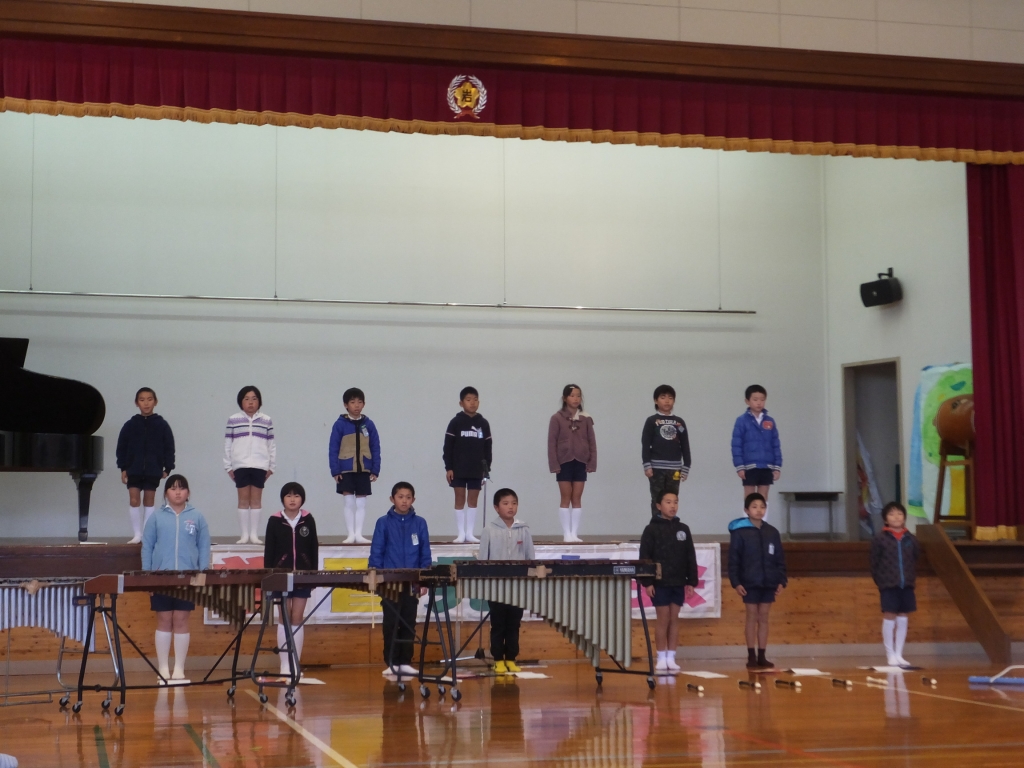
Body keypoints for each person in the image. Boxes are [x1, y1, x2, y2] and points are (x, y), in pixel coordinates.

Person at [141, 474, 211, 684]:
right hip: (161, 578)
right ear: (166, 493)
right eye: (173, 488)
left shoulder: (197, 516)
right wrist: (147, 576)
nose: (178, 492)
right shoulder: (156, 517)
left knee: (181, 620)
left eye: (181, 488)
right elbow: (147, 547)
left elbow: (204, 547)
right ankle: (163, 668)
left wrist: (202, 573)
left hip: (187, 578)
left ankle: (179, 668)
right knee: (164, 620)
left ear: (188, 492)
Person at [368, 482, 432, 677]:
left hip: (412, 581)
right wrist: (376, 576)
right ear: (392, 499)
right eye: (400, 497)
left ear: (413, 500)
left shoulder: (420, 523)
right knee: (391, 622)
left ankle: (405, 661)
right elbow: (377, 551)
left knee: (409, 621)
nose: (404, 501)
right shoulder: (383, 522)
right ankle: (391, 662)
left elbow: (425, 553)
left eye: (408, 497)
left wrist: (424, 580)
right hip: (390, 582)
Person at [639, 490, 698, 673]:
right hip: (660, 582)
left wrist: (691, 581)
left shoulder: (683, 529)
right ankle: (661, 657)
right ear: (659, 506)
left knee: (674, 619)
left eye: (675, 502)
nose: (673, 506)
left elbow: (690, 556)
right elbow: (645, 557)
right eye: (668, 502)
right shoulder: (651, 530)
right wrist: (648, 582)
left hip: (678, 581)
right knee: (663, 619)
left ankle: (671, 657)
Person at [264, 482, 319, 677]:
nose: (292, 499)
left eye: (296, 496)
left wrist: (313, 574)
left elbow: (313, 548)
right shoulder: (274, 520)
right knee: (284, 617)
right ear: (283, 499)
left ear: (302, 499)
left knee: (297, 617)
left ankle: (295, 663)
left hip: (303, 576)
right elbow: (269, 551)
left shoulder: (308, 520)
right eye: (288, 496)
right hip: (281, 575)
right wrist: (270, 575)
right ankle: (285, 665)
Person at [478, 488, 535, 673]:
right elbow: (483, 559)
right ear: (496, 507)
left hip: (518, 586)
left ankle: (511, 658)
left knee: (514, 624)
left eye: (514, 503)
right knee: (498, 624)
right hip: (496, 587)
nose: (510, 507)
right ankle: (498, 659)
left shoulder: (524, 529)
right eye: (506, 503)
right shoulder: (489, 529)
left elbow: (530, 558)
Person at [728, 493, 786, 670]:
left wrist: (781, 580)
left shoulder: (772, 532)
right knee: (752, 617)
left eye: (762, 507)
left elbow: (779, 559)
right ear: (746, 510)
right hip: (749, 582)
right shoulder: (740, 532)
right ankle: (751, 655)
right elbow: (734, 560)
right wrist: (736, 582)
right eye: (754, 507)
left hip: (768, 582)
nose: (759, 510)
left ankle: (762, 655)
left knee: (764, 618)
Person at [116, 387, 175, 544]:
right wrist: (123, 467)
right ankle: (137, 534)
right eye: (142, 400)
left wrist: (168, 468)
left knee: (149, 501)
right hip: (133, 469)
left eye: (149, 399)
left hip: (153, 469)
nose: (146, 403)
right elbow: (121, 447)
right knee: (134, 500)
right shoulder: (130, 425)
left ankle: (147, 535)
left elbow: (169, 447)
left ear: (155, 402)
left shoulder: (162, 424)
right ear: (137, 403)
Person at [869, 501, 919, 668]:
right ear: (885, 519)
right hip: (888, 584)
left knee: (903, 617)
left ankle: (899, 654)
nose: (896, 517)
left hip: (907, 584)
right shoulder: (880, 539)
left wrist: (909, 577)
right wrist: (882, 581)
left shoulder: (911, 538)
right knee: (890, 616)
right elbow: (874, 563)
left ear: (904, 517)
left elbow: (915, 558)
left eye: (899, 513)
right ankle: (890, 654)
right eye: (891, 514)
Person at [224, 385, 275, 544]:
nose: (250, 402)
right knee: (243, 500)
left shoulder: (266, 420)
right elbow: (227, 444)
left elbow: (271, 445)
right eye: (246, 399)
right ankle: (244, 535)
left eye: (254, 399)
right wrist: (228, 466)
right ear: (241, 402)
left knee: (256, 501)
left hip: (260, 465)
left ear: (259, 401)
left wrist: (271, 466)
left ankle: (254, 535)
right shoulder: (233, 420)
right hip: (240, 465)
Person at [329, 387, 380, 544]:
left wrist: (375, 469)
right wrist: (335, 470)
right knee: (349, 502)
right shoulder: (339, 425)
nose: (356, 405)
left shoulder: (369, 424)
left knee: (361, 502)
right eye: (352, 402)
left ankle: (359, 534)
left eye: (359, 402)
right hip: (346, 469)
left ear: (364, 404)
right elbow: (333, 448)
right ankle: (350, 534)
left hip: (364, 469)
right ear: (346, 405)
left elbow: (375, 447)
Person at [547, 384, 597, 543]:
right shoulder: (556, 418)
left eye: (578, 395)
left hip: (581, 461)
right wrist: (554, 464)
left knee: (577, 497)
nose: (576, 399)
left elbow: (592, 441)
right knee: (565, 497)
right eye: (572, 395)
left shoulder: (586, 418)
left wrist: (592, 462)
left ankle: (574, 533)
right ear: (565, 398)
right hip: (564, 461)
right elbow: (551, 443)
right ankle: (566, 533)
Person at [443, 387, 492, 543]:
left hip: (476, 469)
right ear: (461, 403)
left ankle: (470, 533)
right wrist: (449, 467)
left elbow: (488, 448)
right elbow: (448, 447)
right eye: (468, 400)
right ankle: (461, 533)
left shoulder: (483, 423)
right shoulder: (455, 422)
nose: (472, 403)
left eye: (475, 399)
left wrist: (486, 469)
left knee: (473, 500)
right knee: (459, 498)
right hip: (458, 468)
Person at [641, 384, 691, 518]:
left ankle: (670, 525)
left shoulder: (679, 423)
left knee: (672, 499)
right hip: (656, 468)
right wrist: (647, 465)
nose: (667, 401)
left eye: (670, 398)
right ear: (656, 400)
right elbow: (645, 444)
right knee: (657, 498)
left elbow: (685, 444)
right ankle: (656, 526)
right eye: (663, 397)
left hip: (675, 469)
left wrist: (686, 466)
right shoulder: (651, 421)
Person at [731, 385, 782, 507]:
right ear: (747, 401)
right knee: (749, 496)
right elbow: (736, 445)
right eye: (755, 399)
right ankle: (748, 519)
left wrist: (777, 467)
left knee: (763, 497)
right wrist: (739, 466)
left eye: (762, 399)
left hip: (767, 465)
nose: (759, 402)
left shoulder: (770, 421)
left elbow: (776, 444)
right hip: (749, 466)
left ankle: (762, 519)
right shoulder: (741, 421)